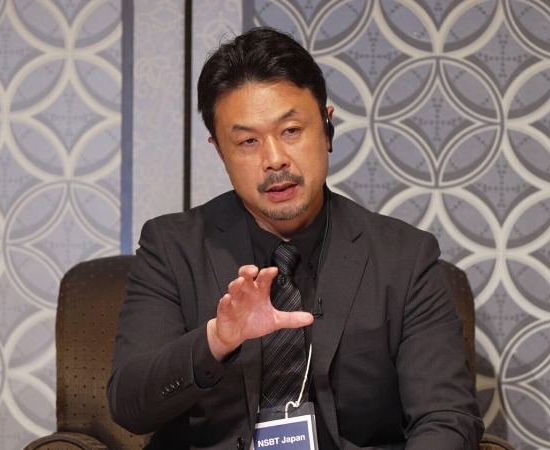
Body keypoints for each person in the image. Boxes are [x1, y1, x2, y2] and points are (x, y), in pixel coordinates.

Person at [107, 26, 483, 449]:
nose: (274, 160)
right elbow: (129, 405)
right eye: (247, 141)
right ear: (219, 151)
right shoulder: (172, 248)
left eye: (290, 131)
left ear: (326, 127)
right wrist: (217, 340)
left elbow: (446, 418)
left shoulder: (403, 258)